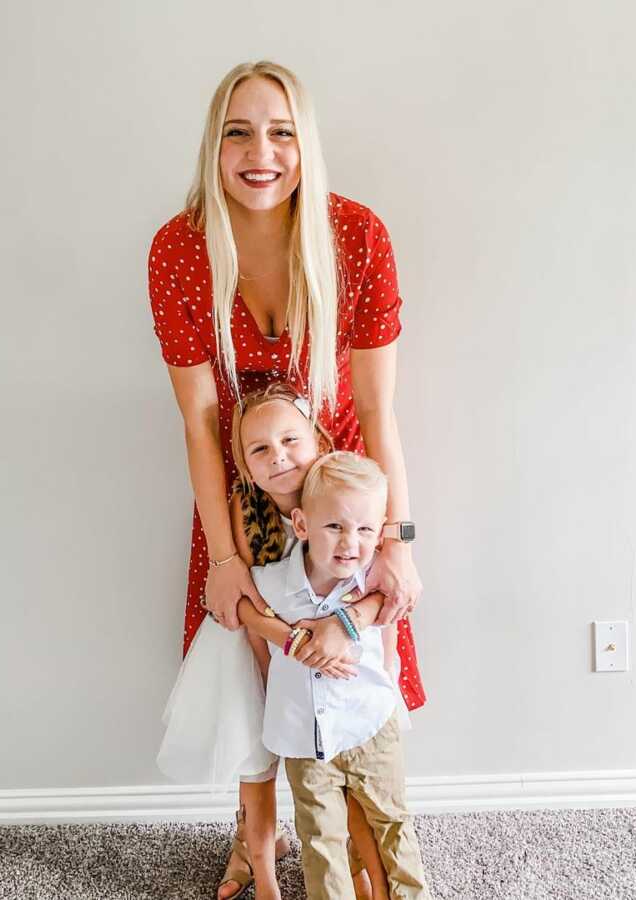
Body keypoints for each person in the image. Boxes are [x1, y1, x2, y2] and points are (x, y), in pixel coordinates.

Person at [148, 60, 427, 899]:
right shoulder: (180, 248)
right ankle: (256, 839)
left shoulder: (358, 237)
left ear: (305, 143)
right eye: (237, 131)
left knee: (349, 665)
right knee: (250, 664)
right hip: (240, 499)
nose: (259, 152)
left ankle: (367, 844)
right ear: (213, 145)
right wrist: (228, 557)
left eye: (280, 131)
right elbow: (201, 422)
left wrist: (395, 541)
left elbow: (377, 411)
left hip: (343, 507)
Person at [158, 384, 398, 898]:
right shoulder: (249, 512)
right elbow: (247, 606)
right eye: (259, 449)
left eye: (290, 440)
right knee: (256, 760)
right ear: (243, 465)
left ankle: (361, 870)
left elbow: (381, 587)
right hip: (256, 650)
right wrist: (291, 644)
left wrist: (340, 634)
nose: (278, 457)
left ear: (316, 439)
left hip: (330, 653)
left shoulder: (343, 495)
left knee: (344, 762)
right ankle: (263, 872)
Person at [252, 452, 432, 900]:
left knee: (392, 821)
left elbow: (405, 601)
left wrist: (353, 622)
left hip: (370, 725)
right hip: (304, 740)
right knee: (320, 841)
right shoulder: (273, 582)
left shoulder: (376, 581)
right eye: (335, 526)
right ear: (301, 524)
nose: (350, 542)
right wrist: (288, 639)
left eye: (366, 530)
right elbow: (234, 606)